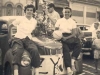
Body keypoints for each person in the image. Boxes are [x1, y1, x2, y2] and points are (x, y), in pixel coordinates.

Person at [9, 4, 40, 74]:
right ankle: (16, 72)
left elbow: (33, 31)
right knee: (18, 51)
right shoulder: (20, 19)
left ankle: (36, 71)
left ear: (33, 12)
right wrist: (10, 37)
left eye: (31, 10)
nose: (29, 12)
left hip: (28, 39)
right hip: (18, 38)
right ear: (25, 11)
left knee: (34, 50)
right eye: (28, 10)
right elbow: (11, 25)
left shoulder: (34, 21)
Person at [54, 7, 81, 75]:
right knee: (65, 48)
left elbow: (74, 33)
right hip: (60, 36)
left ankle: (73, 60)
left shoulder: (72, 21)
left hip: (69, 37)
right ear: (63, 12)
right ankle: (69, 68)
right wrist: (61, 37)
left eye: (68, 12)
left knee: (78, 42)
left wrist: (66, 38)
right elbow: (56, 31)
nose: (66, 13)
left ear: (70, 13)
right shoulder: (59, 20)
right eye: (65, 12)